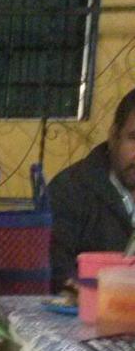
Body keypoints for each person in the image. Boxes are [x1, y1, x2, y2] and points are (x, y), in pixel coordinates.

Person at [48, 87, 135, 290]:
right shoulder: (69, 191)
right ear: (114, 137)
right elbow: (57, 273)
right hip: (84, 317)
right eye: (134, 138)